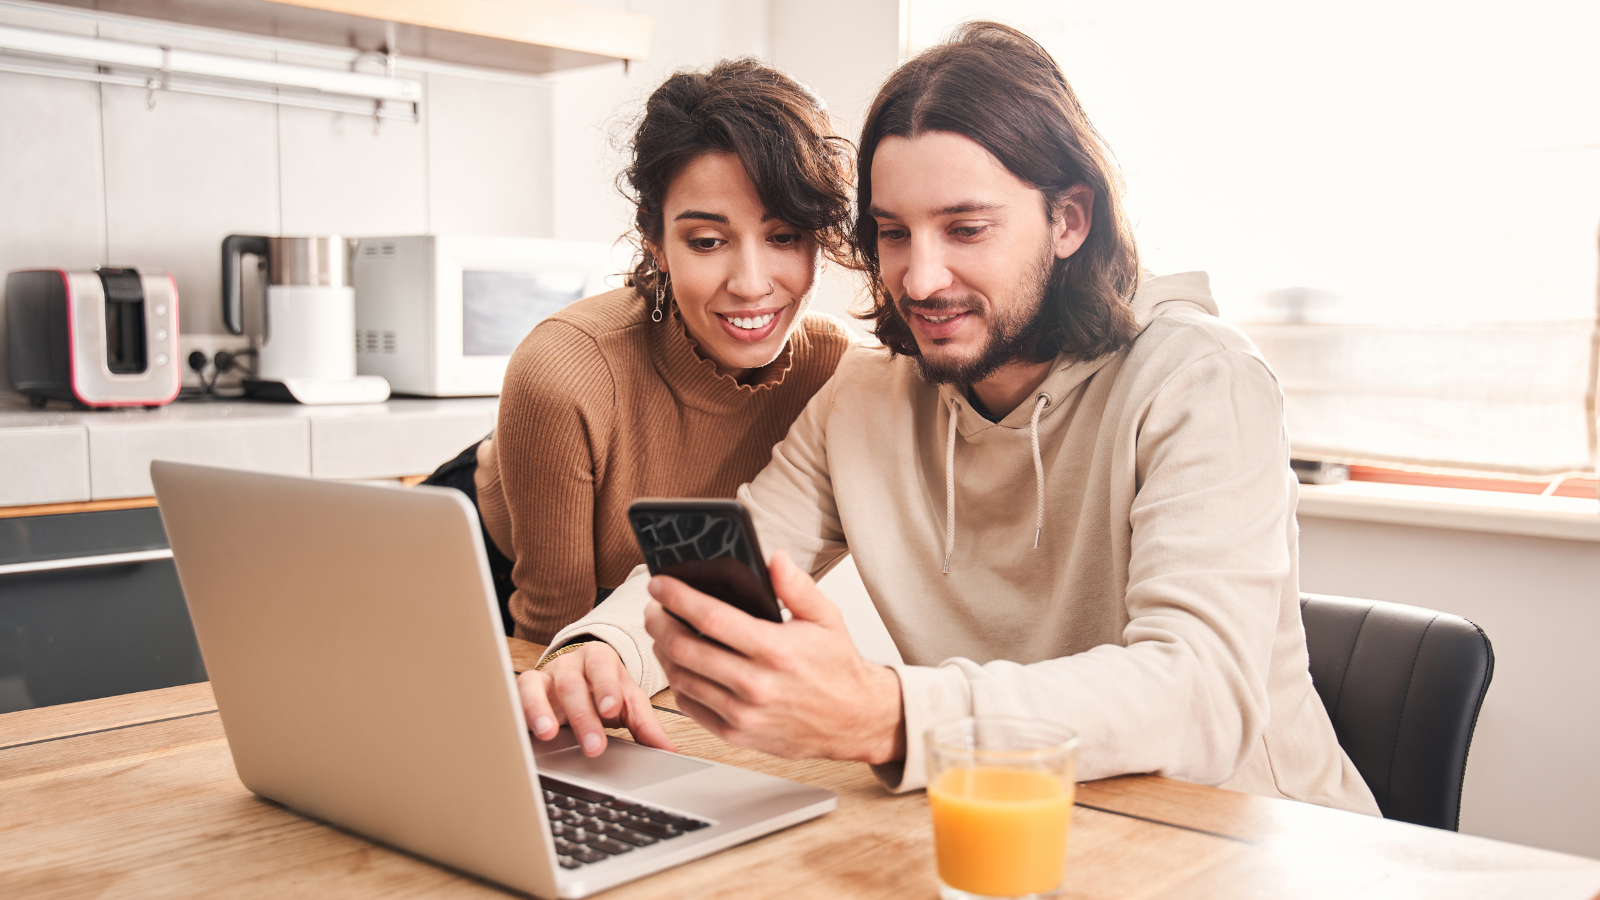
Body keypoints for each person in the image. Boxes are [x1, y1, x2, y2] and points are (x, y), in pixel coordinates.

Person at [519, 24, 1380, 815]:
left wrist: (886, 715)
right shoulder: (868, 399)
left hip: (1249, 842)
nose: (921, 278)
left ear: (1068, 219)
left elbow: (1197, 698)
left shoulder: (1200, 382)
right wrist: (598, 649)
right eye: (893, 233)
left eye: (965, 228)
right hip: (1006, 822)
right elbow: (726, 556)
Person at [466, 58, 857, 648]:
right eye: (707, 241)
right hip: (494, 576)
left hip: (646, 613)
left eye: (784, 237)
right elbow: (552, 635)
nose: (751, 283)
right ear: (657, 241)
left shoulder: (833, 370)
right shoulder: (567, 370)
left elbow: (744, 588)